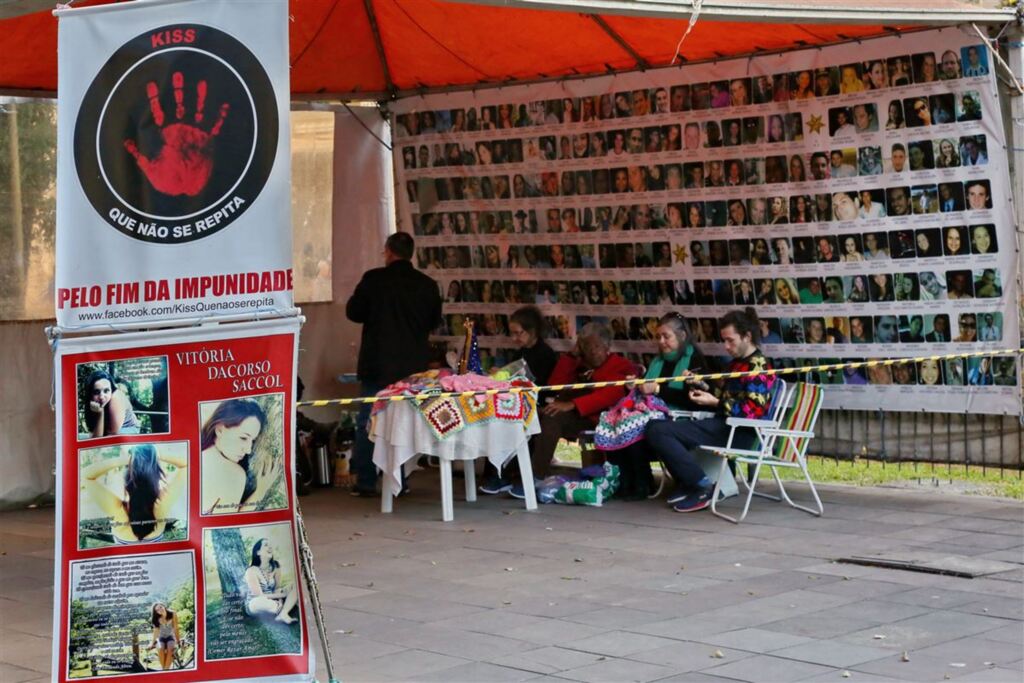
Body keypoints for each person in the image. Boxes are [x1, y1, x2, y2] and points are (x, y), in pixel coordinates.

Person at [645, 308, 776, 513]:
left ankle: (700, 485)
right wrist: (701, 385)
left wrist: (715, 402)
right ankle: (692, 483)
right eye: (724, 340)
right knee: (655, 427)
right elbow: (723, 393)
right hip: (724, 426)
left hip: (741, 432)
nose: (726, 346)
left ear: (747, 336)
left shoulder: (758, 366)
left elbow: (752, 412)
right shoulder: (737, 364)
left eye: (730, 340)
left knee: (659, 431)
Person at [346, 232, 443, 496]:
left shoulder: (373, 280)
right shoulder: (427, 285)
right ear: (411, 253)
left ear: (388, 251)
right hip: (412, 367)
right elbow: (434, 321)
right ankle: (400, 480)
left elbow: (353, 312)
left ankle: (366, 481)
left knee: (369, 422)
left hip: (376, 364)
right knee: (405, 424)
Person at [511, 323, 632, 499]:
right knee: (535, 417)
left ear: (607, 346)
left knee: (553, 418)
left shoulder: (620, 364)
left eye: (596, 346)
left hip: (600, 418)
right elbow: (555, 384)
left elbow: (610, 394)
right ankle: (516, 474)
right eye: (587, 346)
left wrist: (573, 404)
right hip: (575, 415)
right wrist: (571, 355)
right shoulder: (578, 363)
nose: (592, 351)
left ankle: (535, 476)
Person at [602, 314, 712, 499]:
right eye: (658, 337)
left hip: (680, 416)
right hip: (652, 412)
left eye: (666, 336)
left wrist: (659, 389)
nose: (661, 342)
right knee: (613, 420)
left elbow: (693, 398)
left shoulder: (695, 360)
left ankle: (643, 482)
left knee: (635, 425)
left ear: (682, 336)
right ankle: (626, 480)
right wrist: (634, 385)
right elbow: (646, 390)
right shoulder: (657, 361)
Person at [480, 307, 559, 494]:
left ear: (532, 331)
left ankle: (508, 473)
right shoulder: (521, 352)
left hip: (534, 404)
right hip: (515, 400)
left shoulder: (545, 354)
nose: (515, 338)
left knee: (508, 419)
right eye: (512, 333)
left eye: (518, 333)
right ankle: (498, 473)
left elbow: (534, 383)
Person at [82, 444, 187, 544]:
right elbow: (186, 464)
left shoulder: (118, 510)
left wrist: (124, 459)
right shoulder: (162, 505)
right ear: (155, 480)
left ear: (127, 483)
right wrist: (158, 455)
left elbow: (86, 475)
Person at [201, 399, 279, 515]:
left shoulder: (197, 453)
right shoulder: (233, 473)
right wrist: (261, 491)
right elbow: (229, 528)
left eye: (252, 441)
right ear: (220, 430)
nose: (248, 450)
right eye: (243, 438)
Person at [244, 538, 299, 624]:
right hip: (255, 603)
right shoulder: (251, 571)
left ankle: (283, 613)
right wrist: (284, 594)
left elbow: (277, 588)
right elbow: (260, 595)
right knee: (258, 602)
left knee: (296, 585)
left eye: (270, 545)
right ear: (258, 552)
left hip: (273, 600)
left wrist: (280, 600)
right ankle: (287, 605)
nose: (270, 547)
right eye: (266, 545)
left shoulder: (276, 566)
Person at [83, 369, 140, 438]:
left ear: (111, 389)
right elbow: (95, 434)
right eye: (96, 392)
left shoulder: (116, 398)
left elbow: (107, 436)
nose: (102, 397)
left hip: (129, 428)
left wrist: (100, 413)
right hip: (110, 431)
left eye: (106, 391)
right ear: (90, 394)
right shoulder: (92, 404)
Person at [148, 603, 181, 670]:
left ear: (164, 606)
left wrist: (178, 640)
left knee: (171, 649)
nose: (160, 610)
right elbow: (156, 632)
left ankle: (165, 670)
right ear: (156, 612)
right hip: (160, 637)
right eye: (157, 610)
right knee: (160, 648)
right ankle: (165, 670)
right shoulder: (156, 619)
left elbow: (176, 628)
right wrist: (152, 643)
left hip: (171, 636)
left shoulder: (172, 614)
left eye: (160, 607)